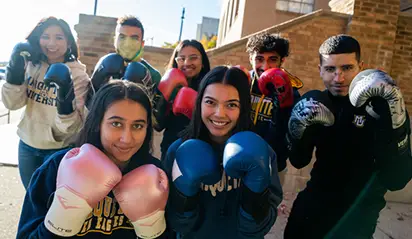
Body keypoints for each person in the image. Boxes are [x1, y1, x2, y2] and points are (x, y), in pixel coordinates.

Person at [284, 34, 412, 238]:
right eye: (330, 69)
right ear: (320, 70)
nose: (338, 78)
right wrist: (296, 129)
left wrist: (396, 127)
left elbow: (397, 179)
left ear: (360, 66)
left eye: (346, 68)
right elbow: (299, 160)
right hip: (313, 208)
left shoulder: (381, 107)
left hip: (358, 215)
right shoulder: (317, 103)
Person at [17, 80, 173, 239]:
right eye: (116, 123)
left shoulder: (156, 174)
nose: (127, 138)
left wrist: (152, 227)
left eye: (138, 126)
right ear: (98, 123)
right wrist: (58, 224)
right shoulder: (57, 167)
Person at [163, 66, 283, 239]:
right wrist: (184, 203)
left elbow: (260, 226)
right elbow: (176, 224)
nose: (220, 114)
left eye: (231, 105)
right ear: (199, 103)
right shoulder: (178, 151)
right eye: (210, 102)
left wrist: (253, 201)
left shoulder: (262, 151)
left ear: (243, 108)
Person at [1, 16, 91, 189]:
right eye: (45, 36)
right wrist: (14, 72)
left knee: (51, 201)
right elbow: (13, 104)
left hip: (57, 149)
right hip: (27, 144)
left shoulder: (78, 76)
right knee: (31, 197)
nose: (52, 43)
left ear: (69, 42)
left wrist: (64, 100)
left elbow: (70, 128)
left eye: (59, 37)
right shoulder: (32, 65)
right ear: (37, 39)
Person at [245, 32, 303, 185]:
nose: (265, 67)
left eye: (272, 59)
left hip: (272, 166)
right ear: (250, 58)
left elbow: (287, 138)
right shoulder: (242, 83)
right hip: (238, 157)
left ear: (282, 61)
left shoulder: (292, 93)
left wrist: (282, 109)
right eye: (259, 59)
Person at [153, 39, 211, 160]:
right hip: (169, 148)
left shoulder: (210, 88)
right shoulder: (169, 83)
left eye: (193, 58)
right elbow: (158, 125)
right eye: (181, 58)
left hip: (198, 151)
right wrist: (164, 100)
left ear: (203, 61)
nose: (187, 62)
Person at [88, 15, 161, 100]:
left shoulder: (154, 75)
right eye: (122, 37)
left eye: (134, 38)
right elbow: (87, 105)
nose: (127, 44)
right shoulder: (104, 64)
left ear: (142, 44)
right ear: (114, 41)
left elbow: (156, 111)